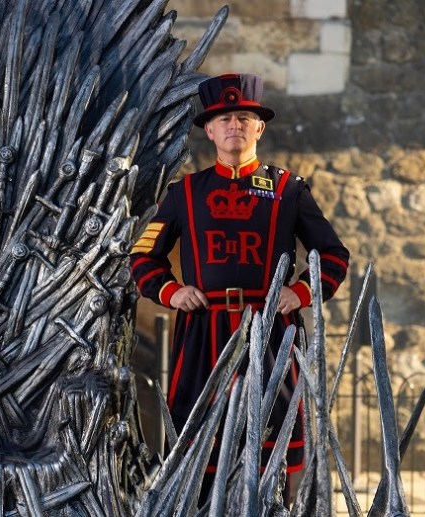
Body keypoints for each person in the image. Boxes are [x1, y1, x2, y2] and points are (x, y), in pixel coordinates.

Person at [130, 73, 349, 503]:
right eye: (225, 118)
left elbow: (334, 256)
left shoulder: (289, 189)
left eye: (244, 118)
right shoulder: (184, 194)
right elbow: (142, 258)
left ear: (259, 128)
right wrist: (171, 291)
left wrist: (300, 294)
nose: (235, 125)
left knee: (282, 432)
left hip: (269, 333)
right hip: (202, 335)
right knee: (196, 437)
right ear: (209, 130)